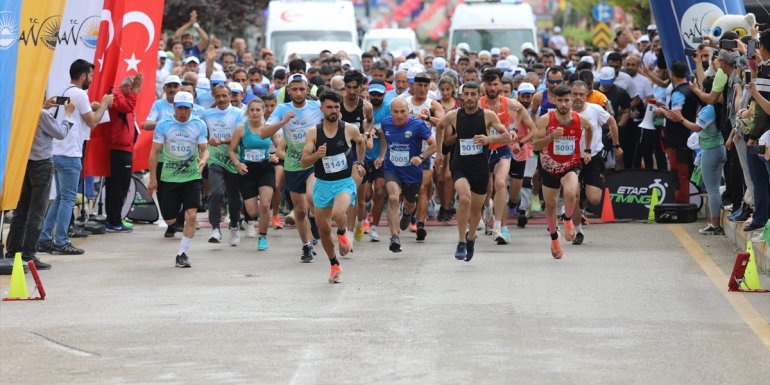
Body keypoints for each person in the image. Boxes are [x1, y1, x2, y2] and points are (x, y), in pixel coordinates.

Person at [38, 59, 113, 256]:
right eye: (90, 75)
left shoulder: (66, 91)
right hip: (70, 153)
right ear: (83, 76)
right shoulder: (79, 94)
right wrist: (104, 105)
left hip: (57, 151)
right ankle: (61, 241)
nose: (91, 79)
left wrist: (95, 106)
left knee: (62, 198)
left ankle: (45, 238)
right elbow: (93, 123)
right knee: (68, 198)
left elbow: (83, 115)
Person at [435, 82, 513, 262]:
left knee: (476, 210)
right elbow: (439, 127)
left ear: (479, 96)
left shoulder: (488, 115)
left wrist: (489, 139)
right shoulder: (454, 116)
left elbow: (507, 137)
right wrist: (439, 153)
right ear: (461, 96)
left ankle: (470, 240)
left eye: (473, 94)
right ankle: (461, 241)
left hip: (480, 169)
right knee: (464, 199)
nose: (469, 98)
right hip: (460, 165)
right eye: (466, 94)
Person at [300, 91, 365, 283]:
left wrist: (361, 163)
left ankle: (343, 232)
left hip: (344, 183)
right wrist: (316, 156)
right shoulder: (313, 132)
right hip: (322, 184)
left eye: (337, 107)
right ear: (321, 109)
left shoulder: (349, 129)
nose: (334, 111)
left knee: (338, 214)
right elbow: (304, 162)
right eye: (329, 107)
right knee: (323, 231)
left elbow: (361, 142)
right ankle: (334, 264)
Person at [5, 98, 75, 269]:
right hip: (41, 164)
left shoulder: (21, 111)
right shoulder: (42, 114)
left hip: (24, 164)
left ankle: (13, 252)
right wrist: (68, 115)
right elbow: (60, 133)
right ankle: (29, 255)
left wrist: (43, 106)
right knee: (37, 211)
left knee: (21, 211)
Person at [262, 74, 324, 262]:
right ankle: (306, 245)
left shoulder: (316, 107)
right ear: (288, 91)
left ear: (307, 89)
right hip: (292, 164)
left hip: (313, 162)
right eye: (294, 89)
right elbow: (264, 133)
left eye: (301, 89)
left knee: (312, 196)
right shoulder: (282, 109)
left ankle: (316, 220)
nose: (298, 93)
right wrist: (283, 122)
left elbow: (334, 121)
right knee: (299, 210)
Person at [147, 91, 209, 268]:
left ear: (192, 108)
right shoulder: (164, 124)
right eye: (180, 108)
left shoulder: (199, 124)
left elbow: (204, 149)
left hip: (192, 176)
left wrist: (204, 159)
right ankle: (179, 214)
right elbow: (154, 152)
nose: (183, 112)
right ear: (174, 107)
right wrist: (153, 179)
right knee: (169, 220)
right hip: (170, 177)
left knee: (191, 215)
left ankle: (182, 254)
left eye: (187, 108)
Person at [531, 84, 592, 259]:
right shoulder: (546, 119)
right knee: (550, 206)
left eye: (567, 100)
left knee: (572, 194)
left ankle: (567, 219)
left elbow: (590, 130)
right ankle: (554, 240)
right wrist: (550, 137)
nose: (564, 104)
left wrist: (587, 150)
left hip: (571, 165)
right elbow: (535, 145)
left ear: (572, 100)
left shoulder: (579, 119)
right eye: (560, 101)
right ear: (554, 101)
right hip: (550, 167)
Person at [667, 78, 725, 235]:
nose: (697, 90)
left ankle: (715, 224)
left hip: (711, 149)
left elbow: (696, 127)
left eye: (700, 88)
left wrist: (680, 119)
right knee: (714, 188)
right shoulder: (717, 107)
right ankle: (715, 223)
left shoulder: (709, 109)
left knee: (712, 189)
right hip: (717, 147)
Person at [376, 98, 436, 252]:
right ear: (391, 112)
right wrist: (382, 156)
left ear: (408, 111)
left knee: (410, 204)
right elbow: (384, 139)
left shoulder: (418, 125)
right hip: (392, 168)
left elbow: (434, 145)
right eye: (396, 111)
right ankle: (394, 238)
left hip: (412, 172)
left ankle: (408, 213)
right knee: (393, 197)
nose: (399, 115)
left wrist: (421, 157)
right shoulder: (386, 123)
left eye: (402, 111)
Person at [479, 68, 528, 244]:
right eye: (489, 84)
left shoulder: (508, 102)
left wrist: (514, 128)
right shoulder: (478, 104)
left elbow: (522, 110)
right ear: (484, 85)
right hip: (483, 151)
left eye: (495, 84)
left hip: (502, 150)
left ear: (500, 84)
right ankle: (486, 208)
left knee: (500, 184)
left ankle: (499, 227)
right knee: (486, 189)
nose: (492, 87)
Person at [570, 80, 621, 244]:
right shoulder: (563, 111)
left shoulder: (595, 109)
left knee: (595, 200)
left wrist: (616, 145)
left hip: (593, 158)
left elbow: (612, 122)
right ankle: (578, 231)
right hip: (572, 160)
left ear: (587, 95)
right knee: (573, 196)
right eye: (574, 94)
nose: (577, 98)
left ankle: (584, 188)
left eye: (581, 94)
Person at [229, 98, 281, 250]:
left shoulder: (268, 128)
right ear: (248, 112)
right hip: (247, 170)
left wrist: (276, 156)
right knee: (252, 211)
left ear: (263, 111)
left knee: (265, 205)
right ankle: (251, 219)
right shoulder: (241, 129)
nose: (255, 113)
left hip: (265, 168)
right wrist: (238, 163)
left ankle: (262, 237)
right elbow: (231, 150)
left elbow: (280, 148)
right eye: (252, 110)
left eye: (258, 110)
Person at [402, 72, 445, 241]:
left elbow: (442, 123)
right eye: (419, 85)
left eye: (426, 86)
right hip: (405, 150)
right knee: (407, 190)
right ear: (413, 86)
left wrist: (427, 117)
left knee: (422, 188)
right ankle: (407, 212)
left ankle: (420, 224)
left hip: (426, 151)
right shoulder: (404, 103)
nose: (422, 89)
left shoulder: (433, 104)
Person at [202, 83, 245, 246]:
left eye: (224, 96)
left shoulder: (239, 113)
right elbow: (202, 134)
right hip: (215, 160)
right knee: (217, 192)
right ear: (213, 96)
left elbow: (239, 135)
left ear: (230, 96)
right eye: (218, 96)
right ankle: (215, 229)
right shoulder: (207, 114)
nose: (221, 99)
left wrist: (222, 140)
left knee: (234, 196)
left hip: (234, 159)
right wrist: (207, 141)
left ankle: (234, 226)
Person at [105, 74, 143, 233]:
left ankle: (115, 218)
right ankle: (114, 220)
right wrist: (135, 91)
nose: (135, 90)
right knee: (118, 186)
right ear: (125, 86)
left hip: (123, 148)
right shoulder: (116, 96)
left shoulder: (122, 97)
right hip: (119, 149)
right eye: (132, 86)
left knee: (120, 186)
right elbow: (126, 108)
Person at [339, 70, 373, 243]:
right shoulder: (337, 104)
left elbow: (370, 120)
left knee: (357, 196)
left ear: (361, 88)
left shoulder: (366, 106)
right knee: (346, 195)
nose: (351, 91)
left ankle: (352, 231)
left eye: (355, 88)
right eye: (348, 87)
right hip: (338, 153)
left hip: (357, 153)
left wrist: (366, 133)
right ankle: (347, 230)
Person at [662, 61, 698, 204]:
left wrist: (661, 112)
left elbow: (676, 116)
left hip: (677, 140)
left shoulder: (678, 93)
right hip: (686, 138)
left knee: (679, 173)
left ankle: (682, 204)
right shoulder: (690, 89)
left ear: (672, 74)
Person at [362, 80, 391, 242]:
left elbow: (387, 134)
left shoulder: (387, 108)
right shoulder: (364, 108)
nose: (375, 97)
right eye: (373, 93)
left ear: (384, 94)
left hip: (382, 154)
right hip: (364, 155)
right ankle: (364, 217)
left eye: (379, 94)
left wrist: (381, 156)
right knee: (366, 195)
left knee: (380, 191)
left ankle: (374, 227)